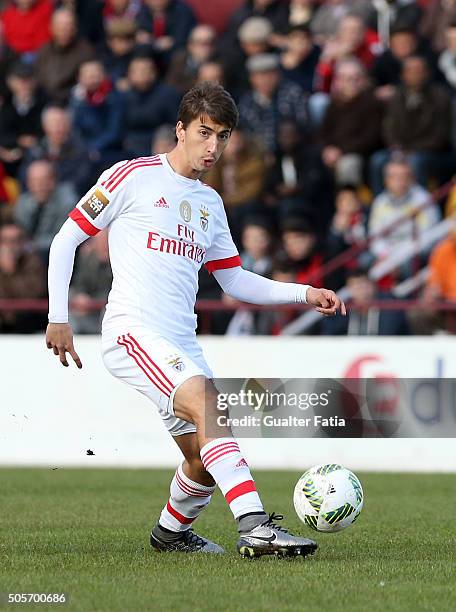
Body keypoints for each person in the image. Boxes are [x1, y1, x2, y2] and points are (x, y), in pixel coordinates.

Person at [46, 82, 345, 557]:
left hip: (180, 342)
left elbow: (235, 282)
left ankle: (170, 533)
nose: (213, 147)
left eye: (223, 137)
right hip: (133, 331)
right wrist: (57, 317)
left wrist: (303, 291)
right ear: (180, 129)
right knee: (211, 407)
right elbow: (65, 239)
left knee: (202, 457)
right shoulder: (132, 176)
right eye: (205, 133)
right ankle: (254, 526)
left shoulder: (210, 204)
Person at [19, 106, 92, 197]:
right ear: (44, 126)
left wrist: (50, 187)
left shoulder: (80, 149)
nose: (58, 127)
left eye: (61, 123)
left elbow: (81, 180)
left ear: (68, 125)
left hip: (66, 197)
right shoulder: (36, 149)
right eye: (53, 123)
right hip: (36, 196)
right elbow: (23, 176)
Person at [13, 159, 76, 260]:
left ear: (54, 180)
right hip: (27, 253)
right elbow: (20, 232)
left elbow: (62, 238)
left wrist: (31, 246)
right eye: (34, 181)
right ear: (28, 183)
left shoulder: (67, 201)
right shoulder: (23, 202)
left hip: (56, 254)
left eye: (44, 180)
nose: (39, 186)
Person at [321, 267, 409, 335]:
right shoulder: (342, 309)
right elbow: (331, 333)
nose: (361, 290)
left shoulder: (388, 305)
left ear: (373, 285)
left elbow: (390, 333)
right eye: (356, 286)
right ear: (349, 289)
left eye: (364, 285)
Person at [122, 55, 181, 157]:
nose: (140, 74)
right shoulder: (123, 96)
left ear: (153, 73)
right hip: (129, 145)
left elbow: (175, 124)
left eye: (144, 70)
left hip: (160, 143)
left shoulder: (168, 95)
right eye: (136, 71)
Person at [35, 7, 95, 105]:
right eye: (59, 26)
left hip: (72, 102)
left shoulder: (85, 51)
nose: (64, 30)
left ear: (75, 28)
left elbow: (86, 83)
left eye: (68, 26)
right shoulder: (44, 50)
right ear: (51, 28)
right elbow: (38, 78)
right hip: (45, 100)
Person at [0, 222, 46, 332]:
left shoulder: (33, 261)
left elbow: (32, 294)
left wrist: (10, 273)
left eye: (13, 241)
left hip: (25, 317)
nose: (9, 246)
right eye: (4, 241)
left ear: (22, 242)